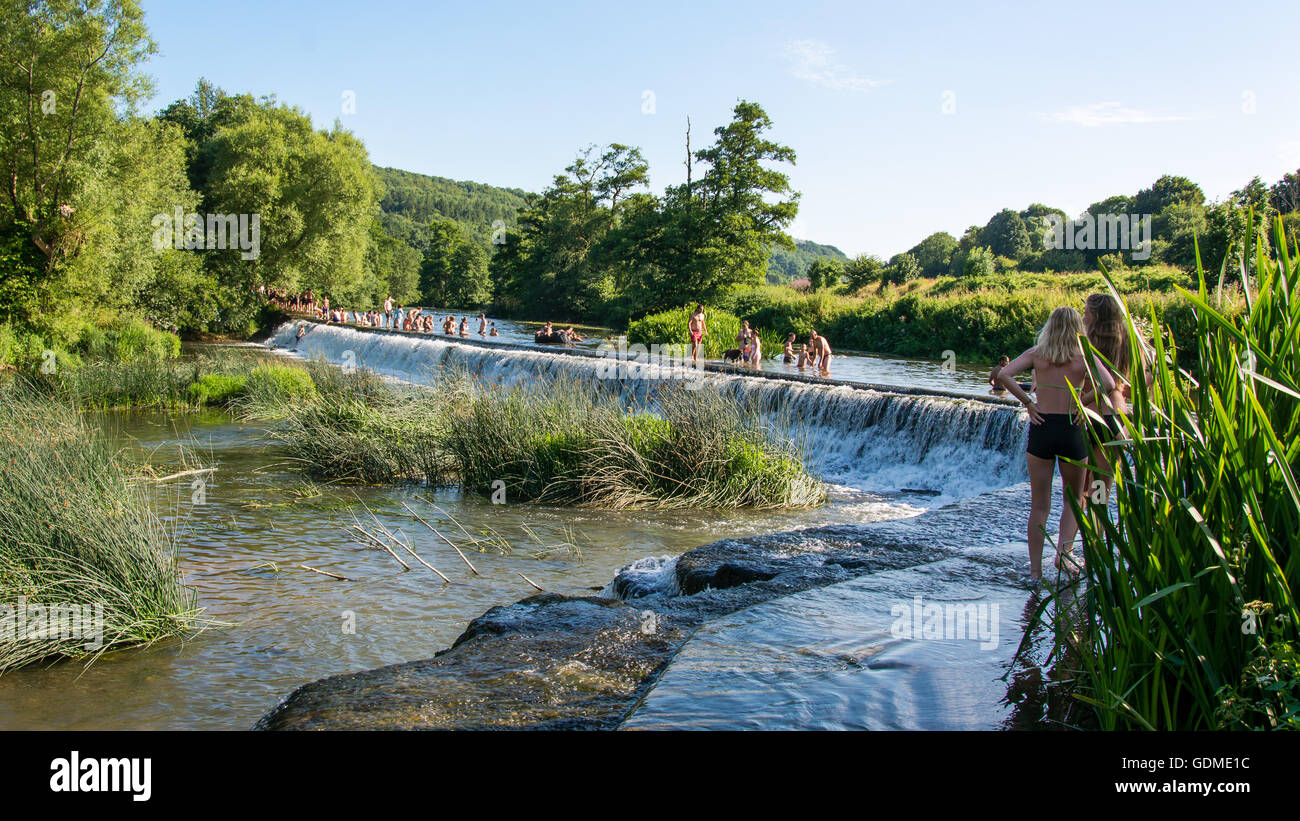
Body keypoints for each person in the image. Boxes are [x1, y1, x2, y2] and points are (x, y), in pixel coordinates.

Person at [998, 306, 1115, 584]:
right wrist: (1082, 403)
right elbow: (1109, 383)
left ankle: (1035, 572)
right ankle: (1064, 556)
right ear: (1077, 328)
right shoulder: (1082, 356)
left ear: (1050, 326)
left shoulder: (1038, 354)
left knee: (1039, 505)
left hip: (1042, 428)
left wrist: (1028, 403)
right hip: (1072, 430)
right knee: (1073, 500)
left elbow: (1004, 375)